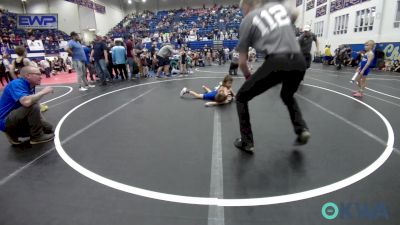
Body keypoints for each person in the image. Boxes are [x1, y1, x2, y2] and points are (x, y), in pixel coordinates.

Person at [234, 0, 310, 153]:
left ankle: (247, 141)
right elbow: (295, 13)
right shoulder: (277, 8)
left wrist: (249, 77)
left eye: (242, 9)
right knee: (287, 95)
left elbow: (242, 62)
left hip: (277, 61)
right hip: (299, 61)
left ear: (246, 6)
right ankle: (301, 129)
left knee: (241, 97)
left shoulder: (247, 20)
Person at [0, 66, 55, 145]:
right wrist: (43, 92)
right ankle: (36, 137)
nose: (41, 77)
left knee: (48, 128)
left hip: (16, 117)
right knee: (32, 104)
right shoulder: (16, 83)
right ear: (28, 75)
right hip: (5, 120)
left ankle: (13, 134)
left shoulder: (30, 86)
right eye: (38, 74)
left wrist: (41, 123)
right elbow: (26, 102)